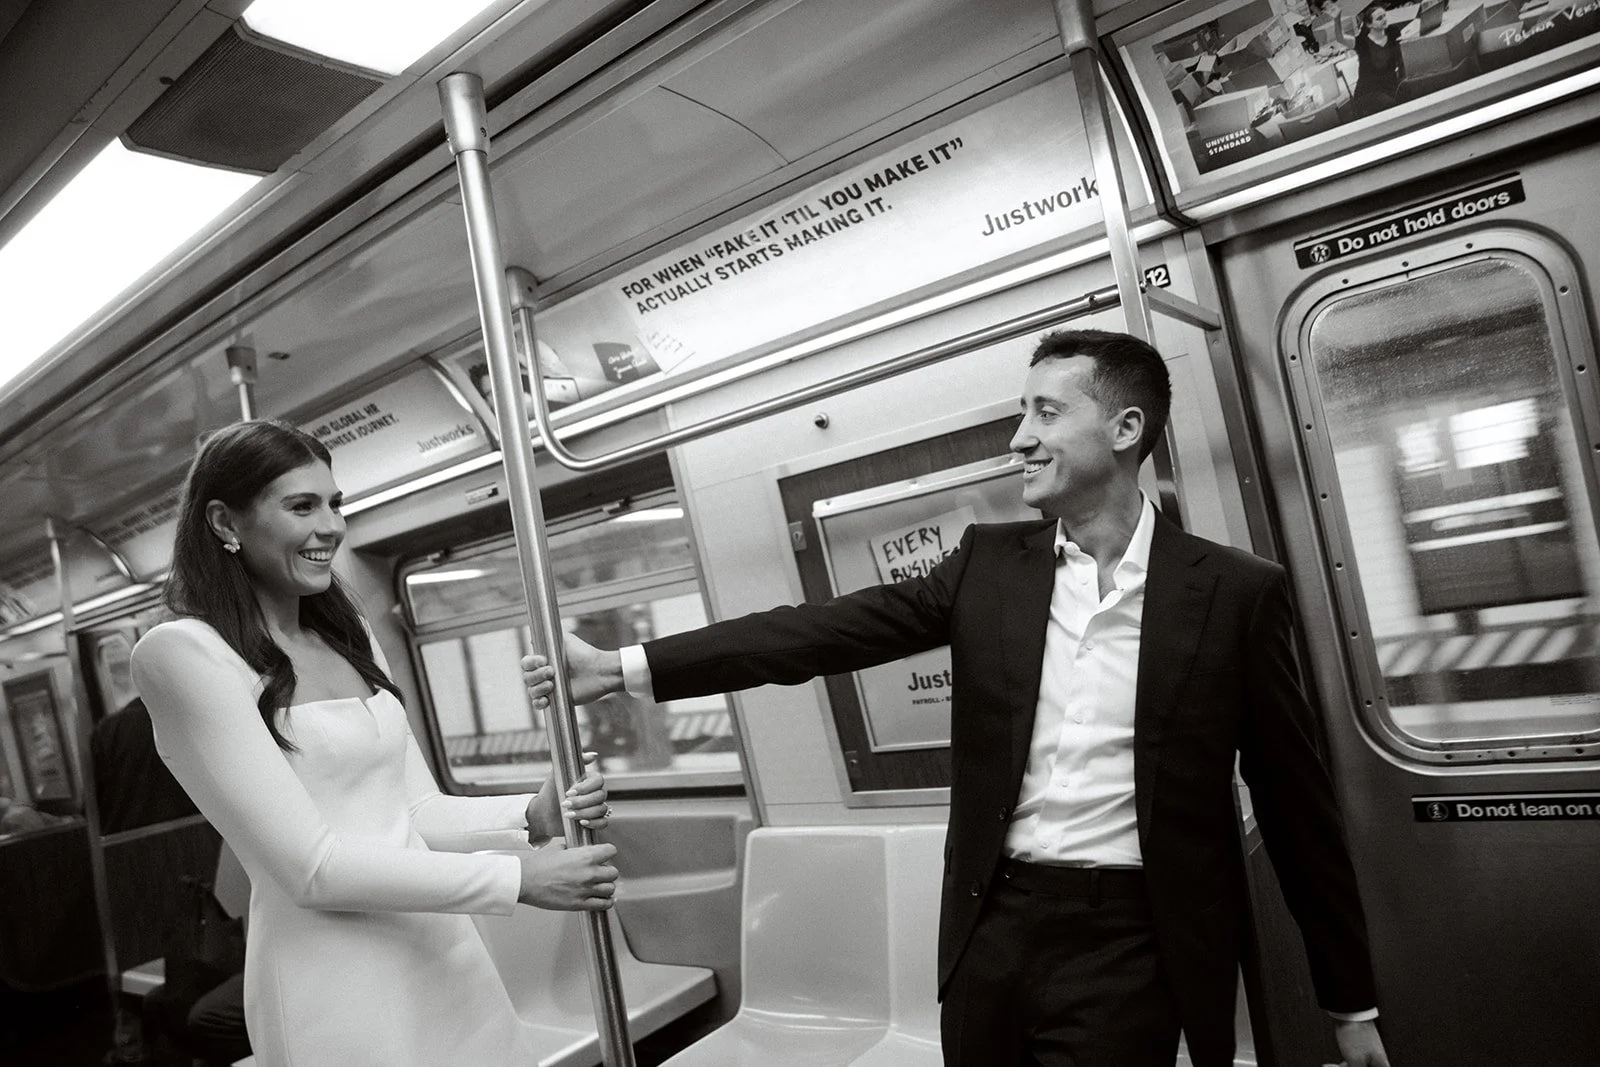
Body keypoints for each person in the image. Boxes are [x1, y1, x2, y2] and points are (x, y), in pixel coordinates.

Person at [526, 330, 1391, 1067]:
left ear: (1127, 428)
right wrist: (623, 667)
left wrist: (1348, 1002)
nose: (1020, 437)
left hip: (1133, 940)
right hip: (993, 925)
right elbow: (818, 632)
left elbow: (1295, 804)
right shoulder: (987, 566)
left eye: (1046, 413)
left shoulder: (1234, 593)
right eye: (1023, 412)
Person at [131, 419, 620, 1067]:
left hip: (442, 956)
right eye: (301, 505)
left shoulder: (345, 629)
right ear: (225, 522)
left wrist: (526, 816)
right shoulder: (182, 654)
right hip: (339, 981)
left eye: (336, 503)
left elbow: (411, 810)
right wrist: (518, 877)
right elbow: (312, 868)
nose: (331, 525)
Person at [90, 697, 200, 834]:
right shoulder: (202, 721)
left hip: (119, 849)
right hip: (201, 843)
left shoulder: (109, 729)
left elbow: (91, 813)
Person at [1352, 4, 1404, 116]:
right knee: (1391, 104)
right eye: (1379, 18)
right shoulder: (1363, 43)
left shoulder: (1392, 32)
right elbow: (1341, 38)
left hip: (1388, 85)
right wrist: (1337, 18)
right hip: (1368, 92)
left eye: (1384, 16)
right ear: (1369, 24)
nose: (1384, 20)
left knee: (1409, 91)